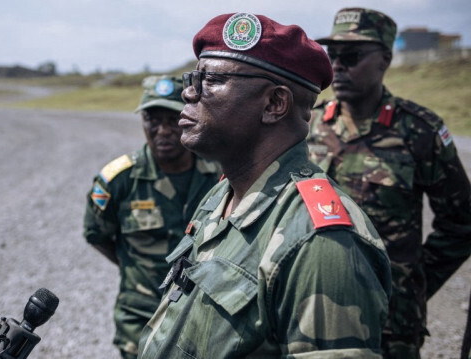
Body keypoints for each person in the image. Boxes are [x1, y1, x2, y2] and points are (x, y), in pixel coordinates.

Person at [137, 13, 392, 358]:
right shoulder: (222, 194)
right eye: (192, 77)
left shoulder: (320, 242)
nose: (188, 92)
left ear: (274, 104)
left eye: (210, 80)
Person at [308, 7, 471, 358]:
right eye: (332, 55)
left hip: (389, 323)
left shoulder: (419, 131)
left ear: (384, 59)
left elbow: (462, 223)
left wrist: (411, 282)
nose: (338, 66)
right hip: (311, 310)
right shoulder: (309, 126)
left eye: (350, 56)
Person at [83, 75, 221, 358]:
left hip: (204, 314)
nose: (163, 131)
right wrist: (135, 267)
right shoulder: (118, 180)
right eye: (152, 120)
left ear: (189, 117)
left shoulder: (219, 173)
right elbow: (96, 233)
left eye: (172, 120)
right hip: (141, 315)